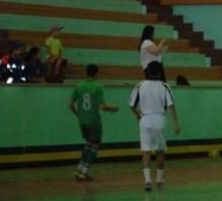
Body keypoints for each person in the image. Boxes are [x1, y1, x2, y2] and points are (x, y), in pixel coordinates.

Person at [129, 61, 180, 191]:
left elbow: (131, 105)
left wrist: (137, 114)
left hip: (145, 119)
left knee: (145, 151)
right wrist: (175, 123)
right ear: (160, 72)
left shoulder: (140, 86)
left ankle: (147, 181)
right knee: (160, 151)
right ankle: (159, 180)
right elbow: (171, 106)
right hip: (159, 119)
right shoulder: (165, 86)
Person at [68, 64, 119, 181]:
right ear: (96, 73)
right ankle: (85, 171)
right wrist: (114, 108)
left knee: (88, 143)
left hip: (82, 120)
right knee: (95, 145)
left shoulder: (79, 85)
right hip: (94, 120)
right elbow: (102, 106)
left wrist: (78, 114)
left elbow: (70, 104)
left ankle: (79, 168)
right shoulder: (97, 86)